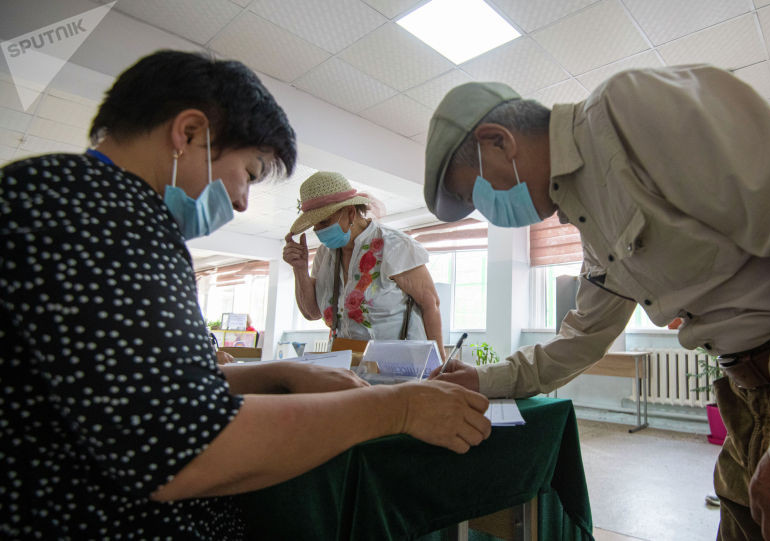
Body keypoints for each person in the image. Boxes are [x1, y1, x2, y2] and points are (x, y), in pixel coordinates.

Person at [423, 66, 770, 541]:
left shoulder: (626, 116)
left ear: (498, 141)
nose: (484, 212)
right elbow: (581, 339)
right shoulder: (588, 215)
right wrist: (484, 381)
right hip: (761, 389)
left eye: (474, 192)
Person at [0, 50, 490, 539]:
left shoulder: (74, 201)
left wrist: (278, 373)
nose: (241, 200)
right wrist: (395, 409)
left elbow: (137, 386)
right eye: (250, 173)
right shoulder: (101, 220)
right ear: (188, 133)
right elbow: (186, 447)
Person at [283, 171, 445, 357]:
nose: (319, 231)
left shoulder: (394, 246)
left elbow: (430, 304)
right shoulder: (324, 254)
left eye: (324, 222)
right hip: (347, 365)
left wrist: (439, 363)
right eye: (315, 225)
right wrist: (300, 269)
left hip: (399, 365)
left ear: (350, 213)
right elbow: (312, 313)